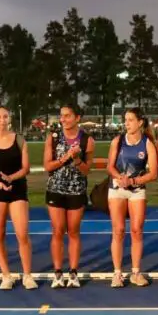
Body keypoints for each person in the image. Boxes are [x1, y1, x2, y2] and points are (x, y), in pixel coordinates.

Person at [0, 105, 37, 290]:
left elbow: (26, 168)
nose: (2, 120)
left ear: (9, 119)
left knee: (22, 233)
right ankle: (6, 275)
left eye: (5, 116)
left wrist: (11, 178)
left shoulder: (20, 140)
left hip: (17, 189)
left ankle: (27, 275)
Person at [43, 103, 95, 288]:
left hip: (76, 191)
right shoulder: (54, 138)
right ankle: (58, 272)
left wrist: (77, 159)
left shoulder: (86, 140)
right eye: (61, 115)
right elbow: (47, 166)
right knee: (57, 230)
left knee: (73, 231)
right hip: (55, 189)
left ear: (77, 118)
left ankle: (73, 272)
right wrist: (65, 158)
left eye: (67, 116)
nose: (63, 119)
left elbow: (87, 170)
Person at [106, 107, 158, 287]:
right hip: (117, 189)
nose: (126, 123)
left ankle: (136, 272)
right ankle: (117, 273)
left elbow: (154, 173)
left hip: (137, 190)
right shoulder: (118, 141)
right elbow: (110, 167)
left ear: (140, 122)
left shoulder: (148, 144)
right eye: (125, 120)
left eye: (130, 120)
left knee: (136, 231)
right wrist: (120, 178)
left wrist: (134, 180)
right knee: (118, 230)